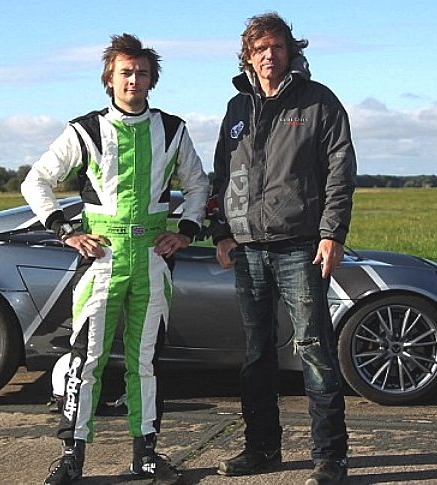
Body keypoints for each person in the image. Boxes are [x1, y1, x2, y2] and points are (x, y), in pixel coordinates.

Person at [21, 33, 209, 485]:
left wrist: (183, 230)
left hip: (151, 260)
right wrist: (65, 231)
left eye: (142, 73)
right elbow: (36, 182)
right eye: (125, 72)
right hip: (101, 260)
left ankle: (146, 456)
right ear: (110, 78)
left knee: (145, 362)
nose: (134, 80)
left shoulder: (173, 128)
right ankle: (71, 457)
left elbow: (200, 185)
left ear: (152, 80)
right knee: (87, 360)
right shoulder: (84, 129)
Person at [210, 13, 357, 485]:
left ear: (291, 50)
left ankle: (329, 458)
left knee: (315, 349)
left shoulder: (319, 102)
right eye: (259, 49)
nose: (268, 56)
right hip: (249, 250)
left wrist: (332, 232)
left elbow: (340, 171)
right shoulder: (236, 108)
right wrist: (221, 232)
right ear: (248, 57)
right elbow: (221, 175)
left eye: (276, 47)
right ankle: (262, 449)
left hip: (301, 247)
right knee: (256, 355)